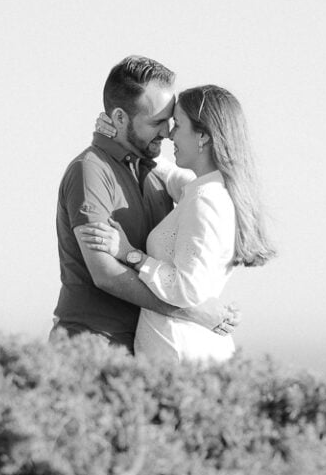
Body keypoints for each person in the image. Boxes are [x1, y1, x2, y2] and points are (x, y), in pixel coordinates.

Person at [51, 56, 239, 353]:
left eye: (171, 121)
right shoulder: (90, 171)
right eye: (157, 122)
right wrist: (194, 312)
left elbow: (206, 195)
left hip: (140, 349)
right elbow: (105, 274)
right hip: (92, 346)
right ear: (120, 118)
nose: (167, 132)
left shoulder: (155, 174)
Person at [78, 84, 275, 363]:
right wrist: (125, 138)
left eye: (178, 125)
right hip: (185, 346)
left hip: (180, 352)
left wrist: (130, 254)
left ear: (203, 136)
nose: (169, 134)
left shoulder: (205, 199)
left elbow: (187, 289)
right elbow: (171, 176)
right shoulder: (209, 190)